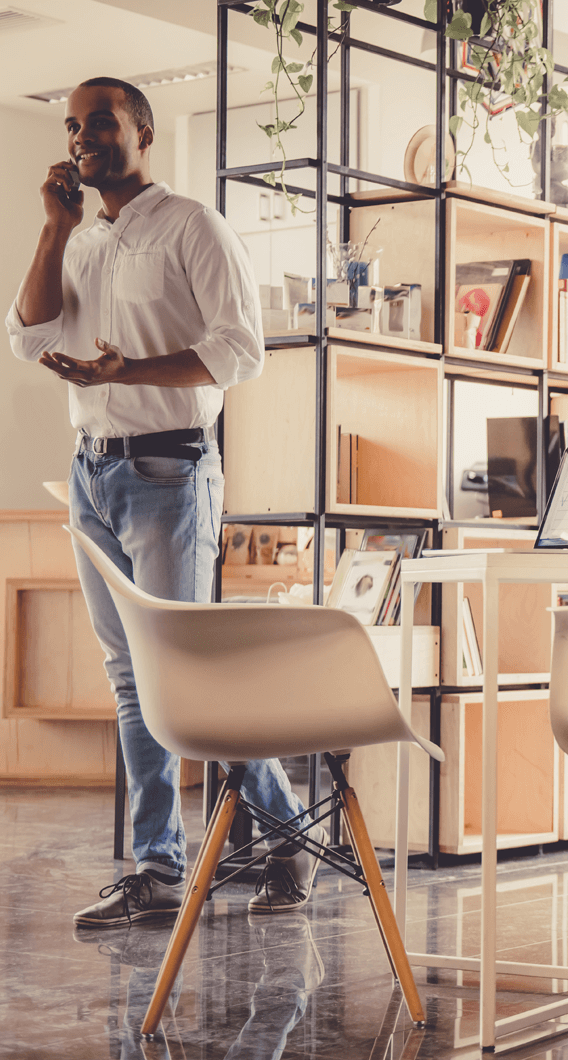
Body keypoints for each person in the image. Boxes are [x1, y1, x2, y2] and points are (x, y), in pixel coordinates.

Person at [6, 78, 323, 928]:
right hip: (90, 475)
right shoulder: (75, 237)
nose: (82, 137)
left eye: (100, 122)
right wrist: (50, 228)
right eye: (73, 126)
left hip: (171, 473)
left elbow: (241, 351)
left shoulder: (192, 226)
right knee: (131, 676)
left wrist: (130, 372)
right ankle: (159, 867)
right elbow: (29, 334)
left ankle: (282, 831)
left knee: (175, 674)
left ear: (142, 131)